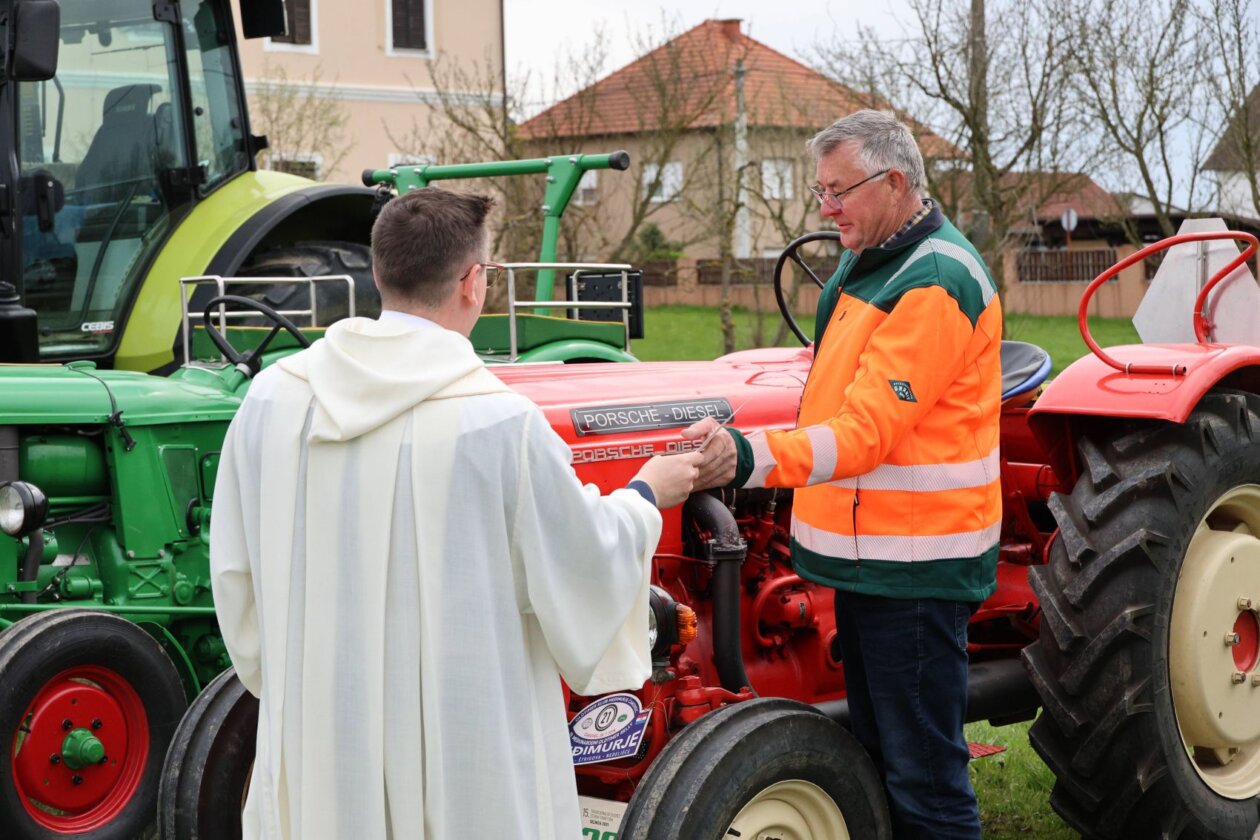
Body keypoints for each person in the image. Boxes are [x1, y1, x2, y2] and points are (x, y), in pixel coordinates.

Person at [210, 187, 701, 839]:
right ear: (474, 283)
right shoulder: (497, 422)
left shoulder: (273, 399)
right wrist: (645, 496)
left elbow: (236, 571)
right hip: (460, 744)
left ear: (379, 273)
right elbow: (582, 557)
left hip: (323, 726)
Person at [685, 109, 1002, 839]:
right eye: (819, 192)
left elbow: (866, 431)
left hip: (916, 568)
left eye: (837, 191)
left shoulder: (934, 281)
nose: (824, 208)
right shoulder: (874, 260)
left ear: (894, 182)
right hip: (874, 562)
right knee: (878, 754)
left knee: (924, 778)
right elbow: (832, 394)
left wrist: (751, 456)